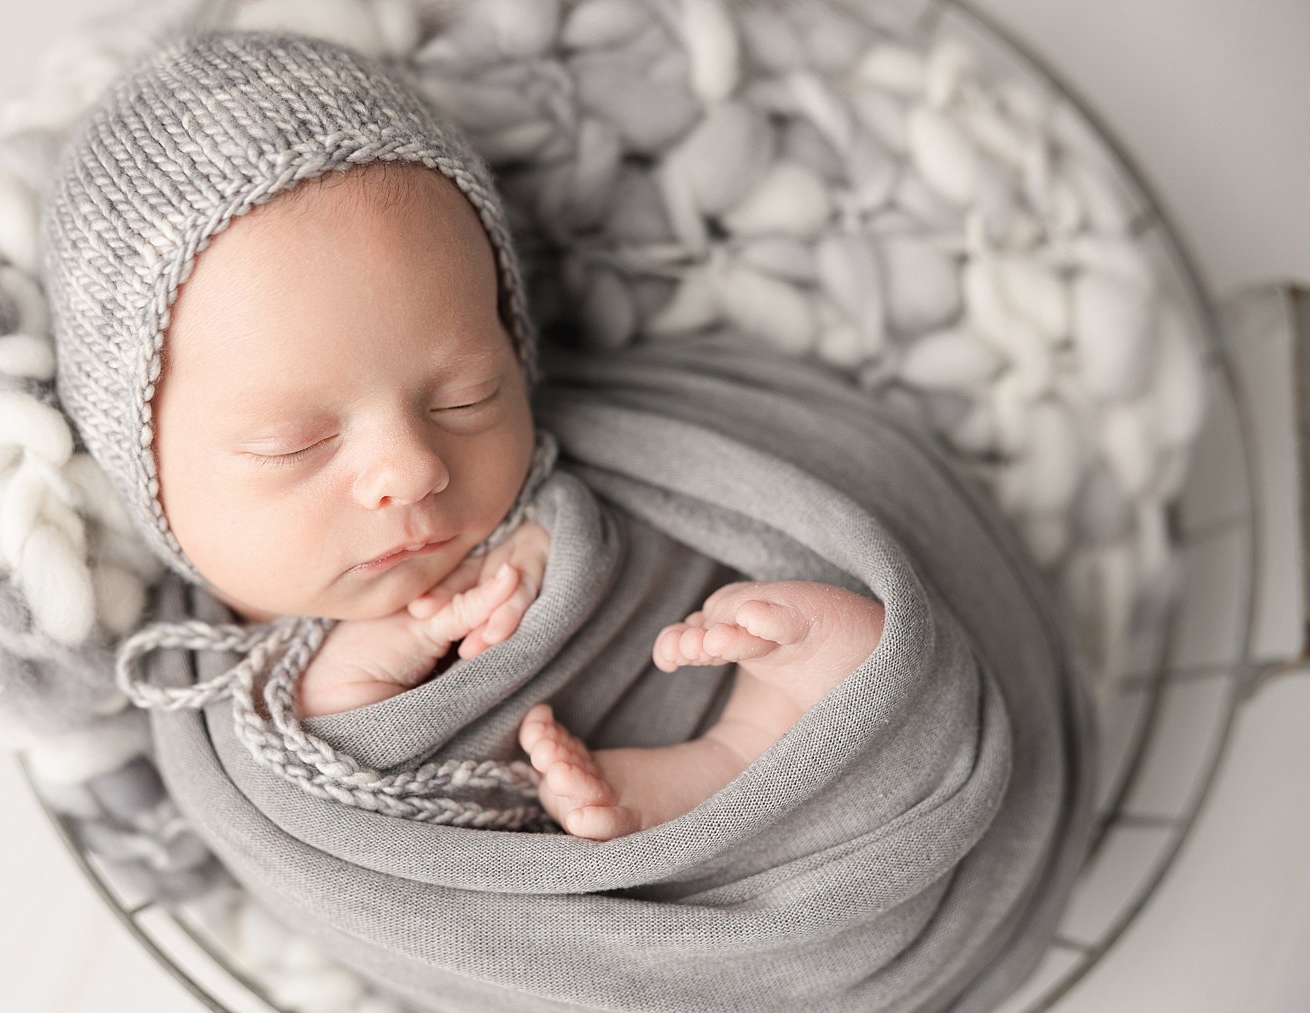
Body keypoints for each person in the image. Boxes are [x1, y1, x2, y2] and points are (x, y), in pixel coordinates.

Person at [44, 30, 884, 841]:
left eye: (465, 395)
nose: (410, 470)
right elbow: (354, 861)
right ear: (142, 469)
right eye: (293, 444)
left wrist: (553, 544)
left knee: (805, 625)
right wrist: (344, 701)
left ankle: (761, 734)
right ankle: (734, 763)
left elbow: (754, 494)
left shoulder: (597, 461)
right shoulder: (196, 700)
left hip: (729, 684)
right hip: (611, 917)